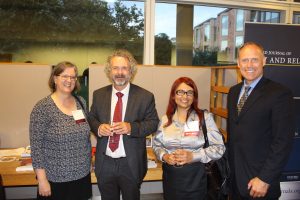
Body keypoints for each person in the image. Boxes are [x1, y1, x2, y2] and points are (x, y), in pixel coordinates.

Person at [227, 42, 295, 199]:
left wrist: (265, 178)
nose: (249, 65)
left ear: (264, 61)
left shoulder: (279, 94)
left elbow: (283, 142)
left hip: (259, 184)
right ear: (238, 63)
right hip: (235, 181)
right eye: (245, 60)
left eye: (255, 60)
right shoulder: (233, 92)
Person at [88, 49, 159, 200]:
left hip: (131, 163)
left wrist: (131, 128)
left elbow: (153, 123)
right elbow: (92, 117)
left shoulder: (145, 96)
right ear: (109, 71)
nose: (120, 72)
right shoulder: (99, 94)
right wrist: (99, 128)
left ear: (131, 71)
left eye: (124, 68)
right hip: (105, 163)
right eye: (115, 68)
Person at [153, 77, 226, 200]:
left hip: (197, 177)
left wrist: (193, 156)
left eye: (190, 92)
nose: (185, 96)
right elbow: (157, 145)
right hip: (172, 178)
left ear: (194, 96)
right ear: (173, 95)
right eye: (180, 92)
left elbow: (219, 148)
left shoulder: (205, 117)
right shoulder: (165, 119)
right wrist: (164, 156)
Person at [29, 61, 92, 200]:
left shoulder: (81, 102)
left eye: (73, 77)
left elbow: (85, 137)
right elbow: (36, 148)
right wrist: (42, 180)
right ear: (55, 79)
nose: (69, 80)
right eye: (64, 76)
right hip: (55, 181)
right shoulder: (42, 108)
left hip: (81, 177)